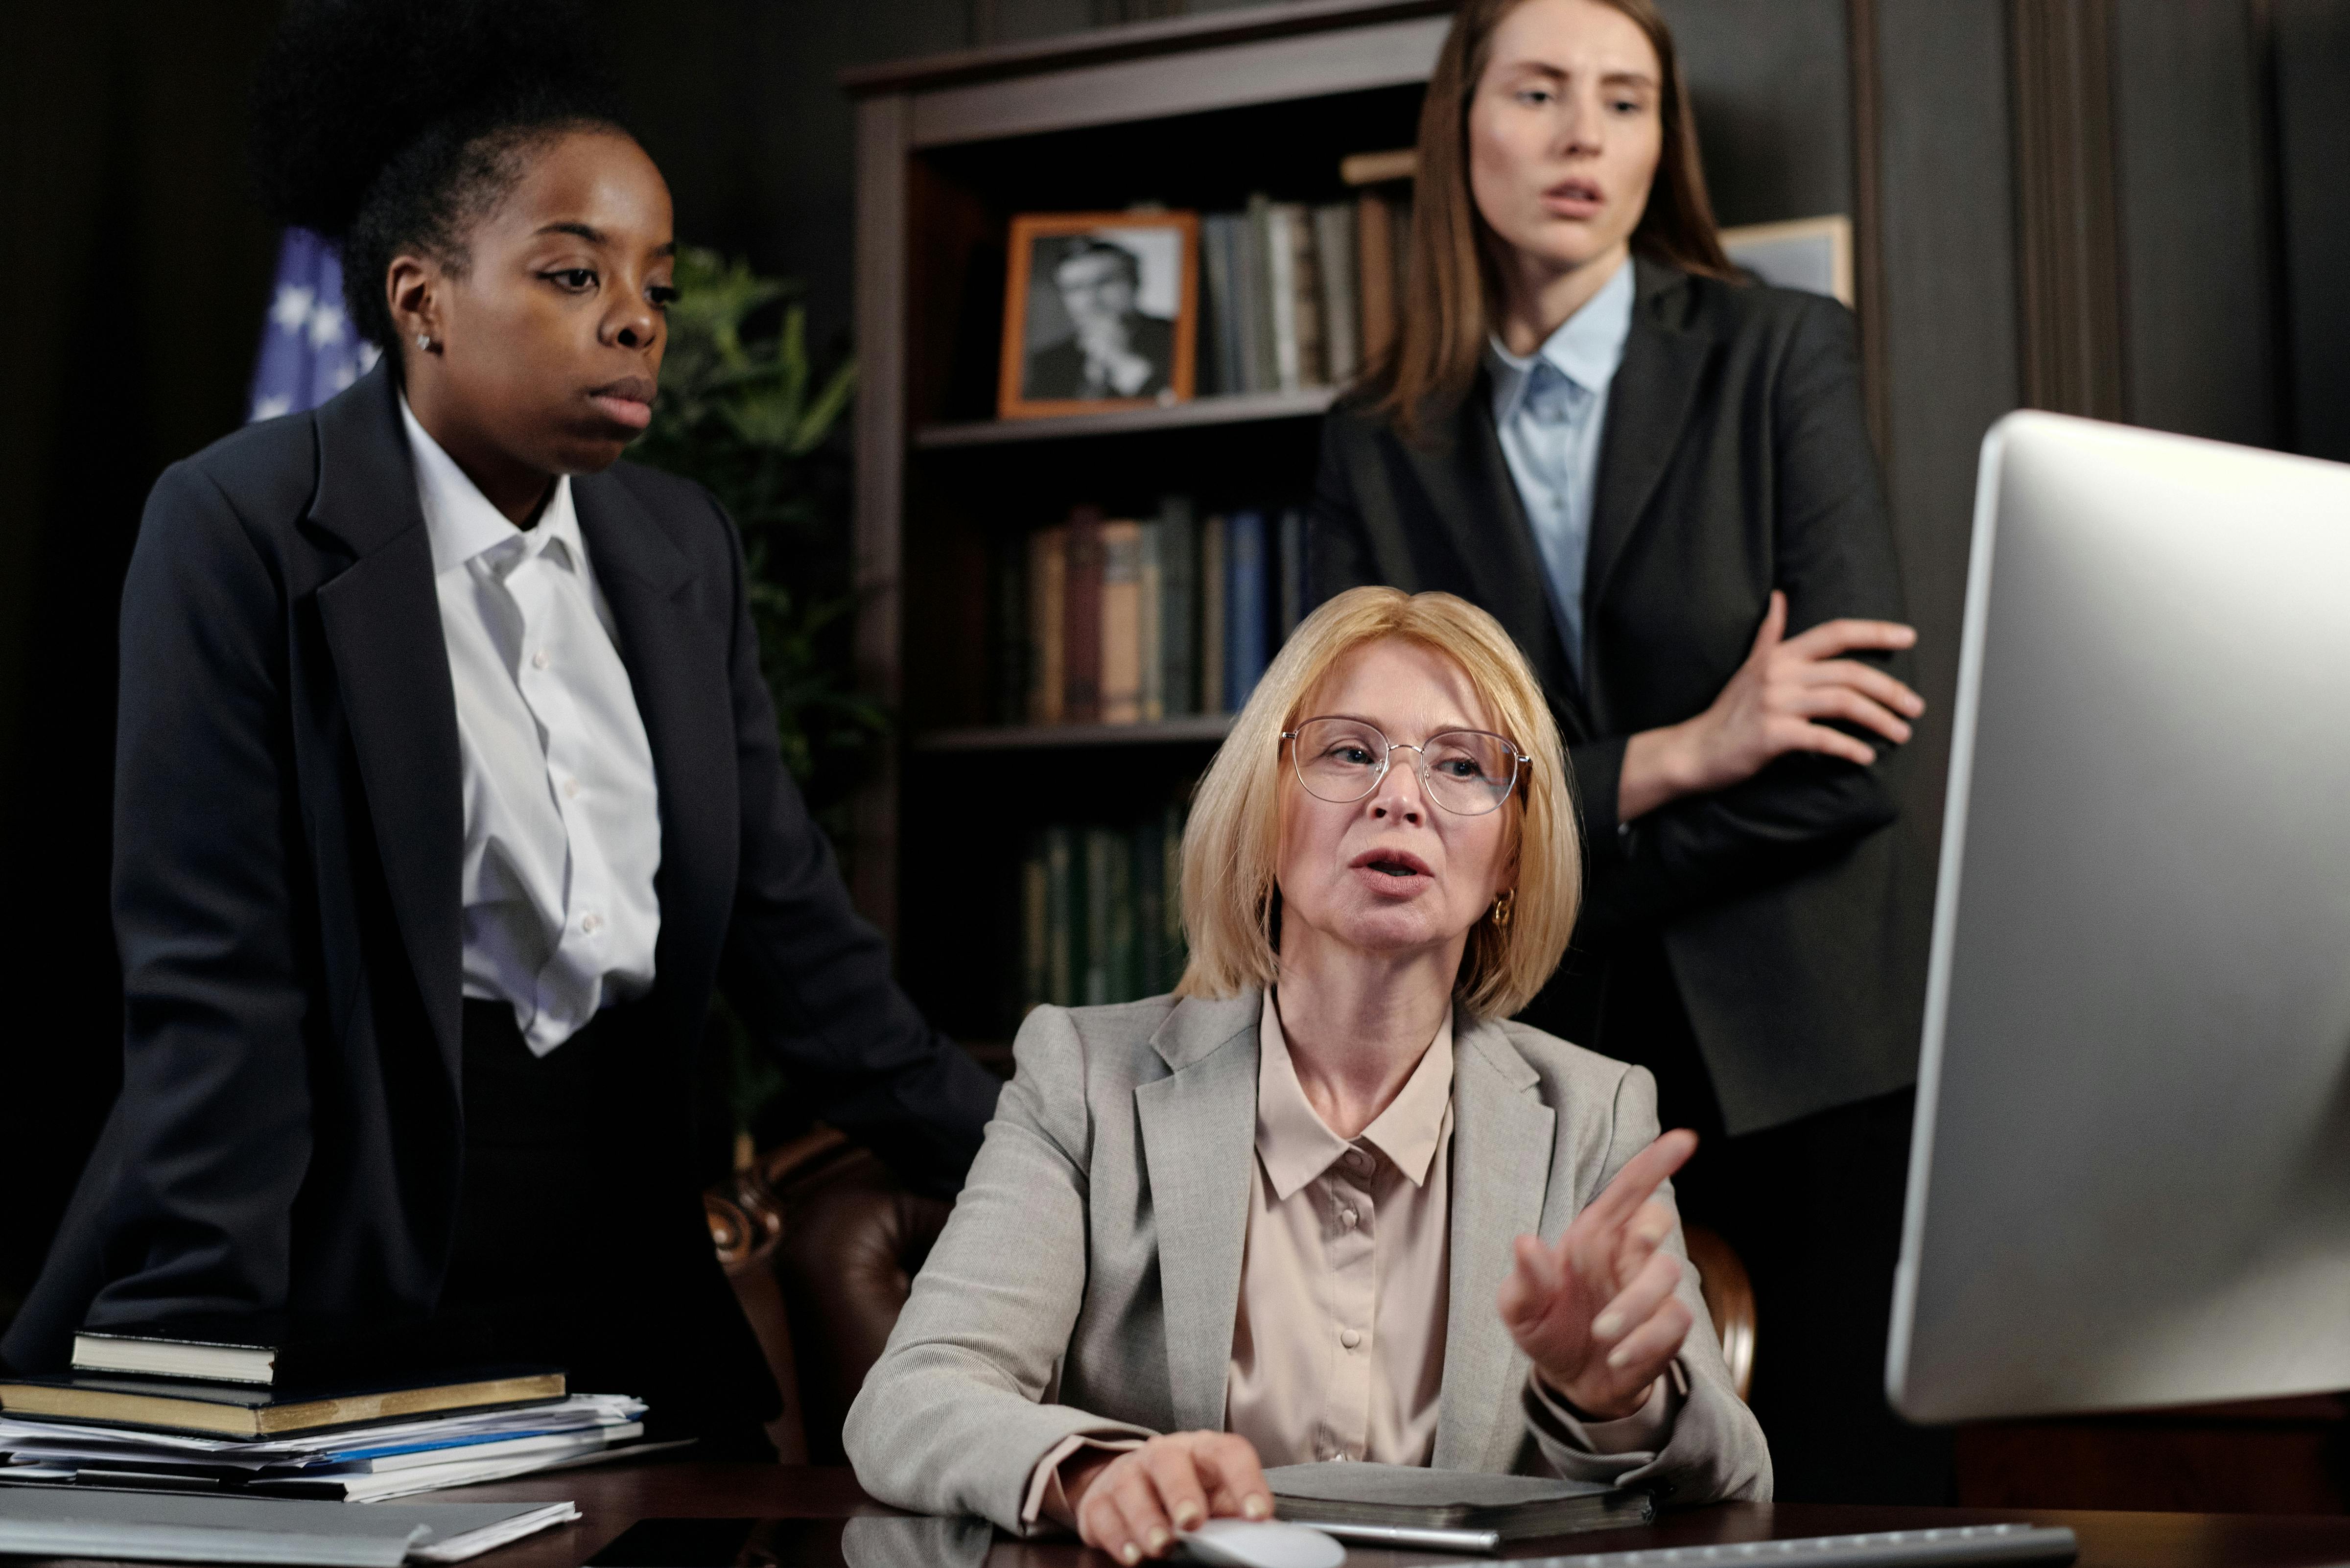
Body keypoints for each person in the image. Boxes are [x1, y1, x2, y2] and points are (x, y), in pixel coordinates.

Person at [0, 0, 1000, 1454]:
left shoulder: (679, 547)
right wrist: (194, 1392)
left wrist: (1062, 1181)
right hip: (337, 1277)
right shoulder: (236, 525)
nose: (638, 316)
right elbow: (218, 989)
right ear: (421, 300)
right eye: (573, 270)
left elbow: (804, 949)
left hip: (621, 1277)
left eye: (656, 278)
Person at [1306, 0, 1945, 1503]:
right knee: (1566, 1504)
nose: (1585, 135)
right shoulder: (1374, 438)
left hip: (1809, 1056)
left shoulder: (1780, 352)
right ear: (1461, 123)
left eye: (1624, 99)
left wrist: (1535, 829)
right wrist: (1688, 748)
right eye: (1537, 92)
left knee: (1856, 1506)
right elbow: (1361, 784)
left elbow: (1854, 759)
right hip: (1522, 1061)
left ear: (1664, 137)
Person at [846, 587, 1769, 1559]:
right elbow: (913, 1395)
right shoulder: (1084, 1078)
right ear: (1265, 813)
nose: (1401, 795)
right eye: (1349, 750)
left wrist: (1613, 1401)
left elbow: (1738, 1481)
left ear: (1509, 858)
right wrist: (1096, 1473)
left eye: (1461, 764)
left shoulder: (1593, 1113)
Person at [1024, 237, 1175, 400]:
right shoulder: (1049, 362)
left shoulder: (1180, 337)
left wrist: (1124, 363)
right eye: (1076, 288)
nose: (1090, 299)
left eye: (1104, 282)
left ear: (1136, 282)